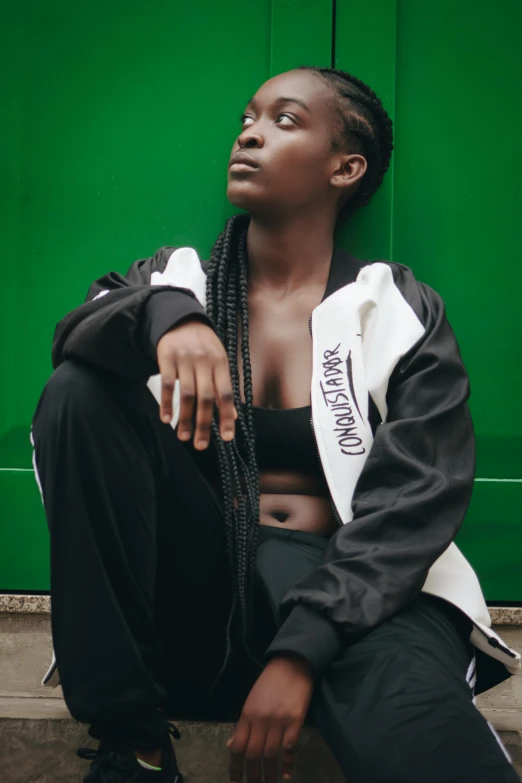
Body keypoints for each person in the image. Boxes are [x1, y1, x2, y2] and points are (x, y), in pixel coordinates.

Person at [30, 66, 521, 783]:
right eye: (248, 117)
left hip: (362, 604)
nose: (250, 132)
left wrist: (300, 651)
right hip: (201, 610)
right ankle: (132, 743)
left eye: (285, 120)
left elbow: (420, 497)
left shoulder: (394, 307)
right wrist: (167, 318)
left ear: (345, 166)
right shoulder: (179, 280)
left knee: (438, 753)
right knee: (78, 388)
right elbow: (79, 329)